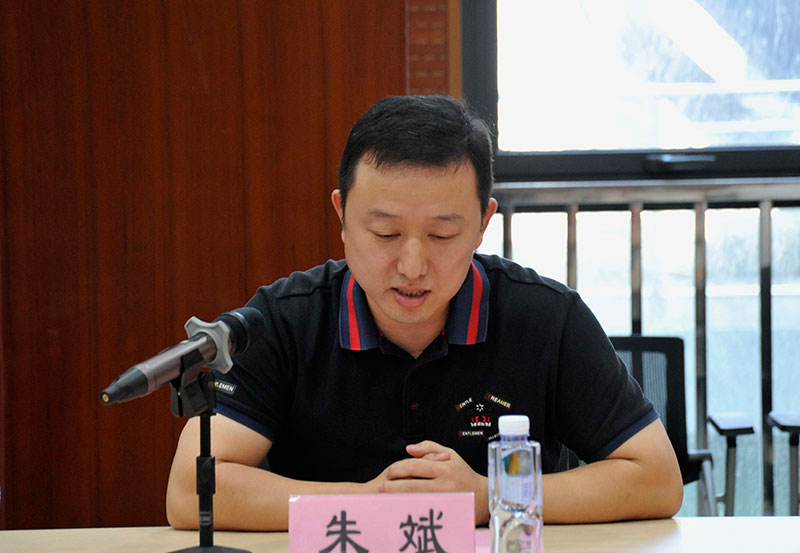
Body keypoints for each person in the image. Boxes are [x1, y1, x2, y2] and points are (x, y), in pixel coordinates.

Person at [166, 95, 683, 531]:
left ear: (483, 224)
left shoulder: (546, 319)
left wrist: (489, 496)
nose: (412, 266)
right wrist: (370, 503)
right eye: (386, 233)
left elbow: (657, 479)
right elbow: (191, 492)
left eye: (441, 235)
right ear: (341, 215)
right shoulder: (285, 321)